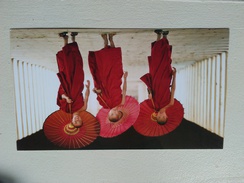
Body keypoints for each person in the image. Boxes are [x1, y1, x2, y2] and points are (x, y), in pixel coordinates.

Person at [88, 33, 128, 122]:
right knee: (115, 59)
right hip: (116, 78)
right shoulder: (121, 103)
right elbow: (124, 90)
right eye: (116, 114)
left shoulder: (104, 104)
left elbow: (99, 92)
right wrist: (125, 78)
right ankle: (111, 38)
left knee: (105, 60)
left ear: (108, 113)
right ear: (119, 113)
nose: (114, 112)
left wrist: (96, 91)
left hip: (105, 79)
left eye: (111, 114)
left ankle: (105, 40)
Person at [140, 30, 176, 125]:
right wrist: (174, 76)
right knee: (165, 58)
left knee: (155, 57)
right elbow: (173, 88)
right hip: (165, 78)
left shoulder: (153, 106)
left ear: (156, 116)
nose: (161, 115)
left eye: (159, 117)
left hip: (155, 78)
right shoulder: (170, 103)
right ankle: (165, 37)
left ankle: (158, 35)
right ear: (166, 116)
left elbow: (150, 92)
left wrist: (149, 95)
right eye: (163, 117)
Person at [56, 32, 90, 128]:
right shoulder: (83, 108)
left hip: (67, 82)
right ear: (82, 119)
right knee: (77, 63)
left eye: (75, 121)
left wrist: (66, 98)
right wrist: (88, 87)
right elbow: (87, 97)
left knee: (67, 63)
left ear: (72, 120)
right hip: (78, 83)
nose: (77, 119)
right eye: (79, 121)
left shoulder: (66, 109)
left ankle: (65, 39)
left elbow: (60, 95)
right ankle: (73, 38)